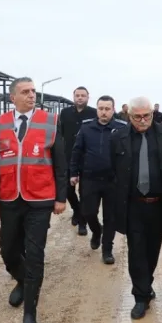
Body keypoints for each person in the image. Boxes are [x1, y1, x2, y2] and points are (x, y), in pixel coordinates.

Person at [0, 77, 67, 323]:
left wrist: (61, 197)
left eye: (33, 91)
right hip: (10, 198)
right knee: (8, 249)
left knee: (34, 254)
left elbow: (60, 163)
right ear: (13, 98)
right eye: (25, 92)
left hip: (40, 199)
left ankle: (30, 314)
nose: (32, 95)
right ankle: (21, 280)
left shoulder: (50, 121)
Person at [109, 96, 162, 320]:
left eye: (147, 116)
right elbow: (114, 169)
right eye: (137, 117)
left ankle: (146, 283)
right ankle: (140, 297)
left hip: (159, 205)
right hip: (133, 205)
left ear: (152, 114)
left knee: (152, 249)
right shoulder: (118, 138)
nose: (142, 120)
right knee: (136, 250)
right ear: (129, 116)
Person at [69, 95, 126, 264]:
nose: (104, 112)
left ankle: (107, 250)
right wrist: (73, 172)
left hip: (113, 180)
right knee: (87, 212)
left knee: (110, 217)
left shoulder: (122, 128)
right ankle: (96, 230)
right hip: (90, 178)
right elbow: (77, 151)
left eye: (107, 109)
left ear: (113, 110)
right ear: (97, 109)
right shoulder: (86, 127)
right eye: (101, 109)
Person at [58, 87, 97, 237]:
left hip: (88, 157)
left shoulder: (94, 113)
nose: (80, 98)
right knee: (68, 189)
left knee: (84, 192)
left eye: (83, 95)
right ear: (73, 97)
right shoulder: (65, 113)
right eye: (77, 95)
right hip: (68, 157)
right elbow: (60, 133)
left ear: (88, 97)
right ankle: (76, 209)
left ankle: (82, 222)